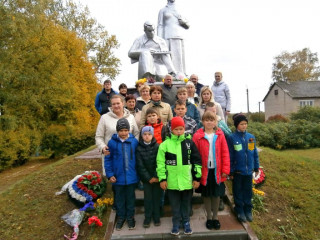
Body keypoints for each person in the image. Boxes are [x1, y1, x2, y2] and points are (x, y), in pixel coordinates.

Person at [157, 116, 202, 236]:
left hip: (187, 182)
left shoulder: (189, 143)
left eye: (181, 129)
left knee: (186, 204)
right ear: (171, 130)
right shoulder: (165, 145)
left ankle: (186, 222)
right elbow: (160, 164)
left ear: (184, 129)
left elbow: (196, 161)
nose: (178, 131)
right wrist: (162, 179)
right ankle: (176, 223)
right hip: (172, 183)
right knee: (175, 205)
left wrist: (197, 178)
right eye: (176, 129)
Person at [193, 111, 230, 230]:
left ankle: (215, 217)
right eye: (207, 120)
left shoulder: (220, 135)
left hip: (217, 171)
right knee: (206, 194)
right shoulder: (197, 135)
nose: (209, 122)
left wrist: (225, 169)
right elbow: (195, 155)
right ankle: (208, 217)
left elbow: (225, 152)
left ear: (215, 122)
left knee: (216, 194)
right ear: (202, 122)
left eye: (212, 120)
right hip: (204, 171)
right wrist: (195, 172)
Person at [104, 118, 139, 231]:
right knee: (119, 199)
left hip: (131, 177)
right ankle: (121, 217)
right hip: (117, 177)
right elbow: (108, 159)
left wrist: (138, 175)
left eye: (125, 130)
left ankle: (130, 217)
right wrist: (110, 174)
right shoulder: (112, 143)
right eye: (121, 131)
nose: (123, 133)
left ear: (129, 130)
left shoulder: (134, 142)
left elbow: (138, 159)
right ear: (117, 131)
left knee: (130, 198)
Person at [95, 95, 139, 175]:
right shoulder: (104, 118)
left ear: (123, 103)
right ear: (111, 106)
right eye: (113, 104)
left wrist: (134, 144)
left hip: (128, 154)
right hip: (111, 155)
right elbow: (99, 137)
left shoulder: (131, 117)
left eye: (118, 103)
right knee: (113, 179)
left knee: (129, 177)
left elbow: (136, 133)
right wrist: (102, 147)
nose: (116, 106)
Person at [227, 114, 259, 223]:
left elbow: (254, 153)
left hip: (248, 171)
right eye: (241, 124)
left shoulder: (251, 137)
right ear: (237, 125)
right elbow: (230, 155)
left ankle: (248, 210)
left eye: (245, 124)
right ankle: (239, 210)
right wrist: (231, 170)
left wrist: (256, 166)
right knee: (238, 192)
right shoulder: (232, 138)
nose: (244, 126)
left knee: (248, 191)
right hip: (238, 171)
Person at [136, 126, 162, 228]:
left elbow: (159, 162)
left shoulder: (157, 146)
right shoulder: (139, 148)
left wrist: (156, 176)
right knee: (148, 199)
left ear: (152, 135)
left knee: (157, 198)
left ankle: (156, 217)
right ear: (142, 136)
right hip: (146, 180)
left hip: (156, 178)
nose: (147, 136)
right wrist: (148, 178)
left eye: (149, 134)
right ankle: (147, 217)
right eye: (145, 134)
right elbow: (140, 165)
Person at [158, 0, 189, 76]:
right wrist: (158, 40)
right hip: (166, 36)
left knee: (178, 58)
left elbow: (187, 25)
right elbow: (160, 25)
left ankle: (180, 75)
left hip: (178, 35)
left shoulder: (180, 9)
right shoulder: (163, 10)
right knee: (167, 56)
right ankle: (169, 74)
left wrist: (183, 22)